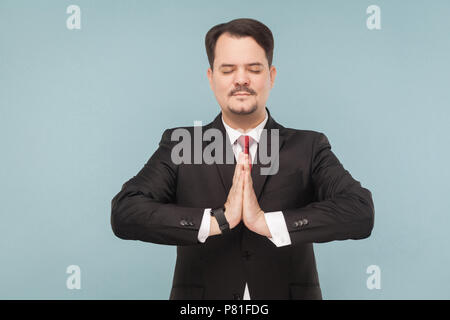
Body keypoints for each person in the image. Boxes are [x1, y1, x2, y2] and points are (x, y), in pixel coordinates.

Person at [111, 18, 374, 300]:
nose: (241, 79)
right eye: (228, 70)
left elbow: (359, 211)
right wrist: (216, 222)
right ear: (211, 78)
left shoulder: (308, 146)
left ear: (271, 76)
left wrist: (268, 224)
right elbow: (125, 211)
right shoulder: (182, 144)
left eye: (253, 69)